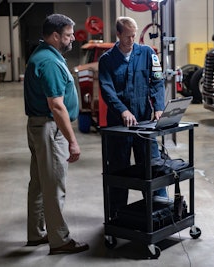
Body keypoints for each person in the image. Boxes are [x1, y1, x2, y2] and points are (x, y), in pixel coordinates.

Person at [24, 14, 89, 255]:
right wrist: (72, 140)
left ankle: (37, 233)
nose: (73, 38)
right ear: (55, 36)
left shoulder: (46, 55)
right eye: (68, 34)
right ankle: (59, 240)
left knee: (40, 183)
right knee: (54, 185)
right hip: (50, 129)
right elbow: (57, 105)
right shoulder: (49, 62)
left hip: (40, 126)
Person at [98, 16, 169, 217]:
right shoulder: (107, 60)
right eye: (127, 36)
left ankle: (159, 213)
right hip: (119, 126)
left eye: (134, 35)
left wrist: (159, 107)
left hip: (145, 122)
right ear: (118, 34)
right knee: (119, 171)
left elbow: (156, 81)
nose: (132, 39)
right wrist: (122, 110)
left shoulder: (147, 53)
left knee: (152, 167)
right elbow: (107, 90)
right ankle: (118, 214)